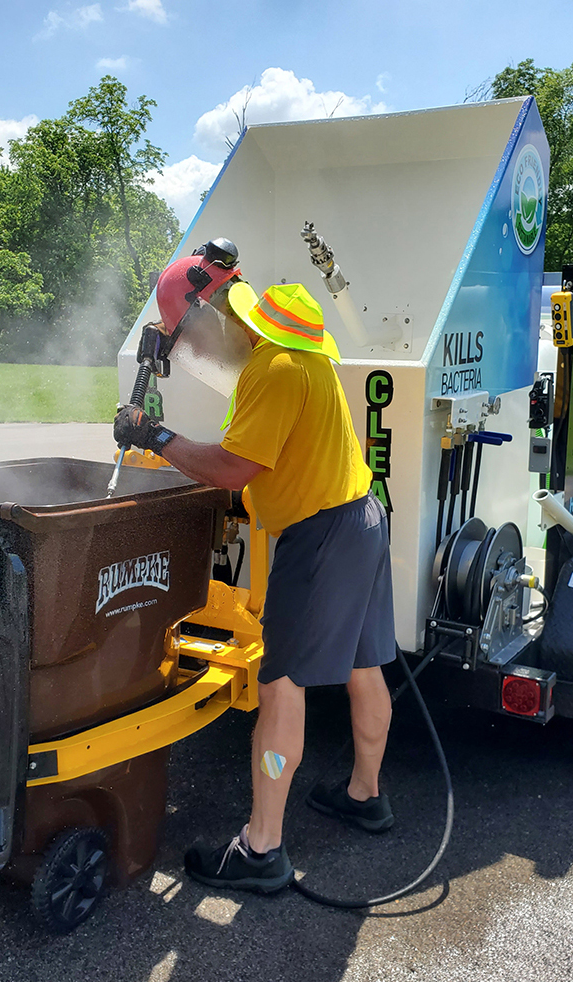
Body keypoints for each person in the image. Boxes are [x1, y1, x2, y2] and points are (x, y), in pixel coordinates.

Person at [114, 270, 396, 895]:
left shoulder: (271, 370)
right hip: (362, 516)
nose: (190, 353)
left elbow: (233, 470)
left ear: (210, 312)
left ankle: (262, 847)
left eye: (186, 338)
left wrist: (154, 434)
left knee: (279, 687)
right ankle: (365, 795)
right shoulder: (298, 347)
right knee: (365, 663)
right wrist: (168, 345)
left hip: (318, 535)